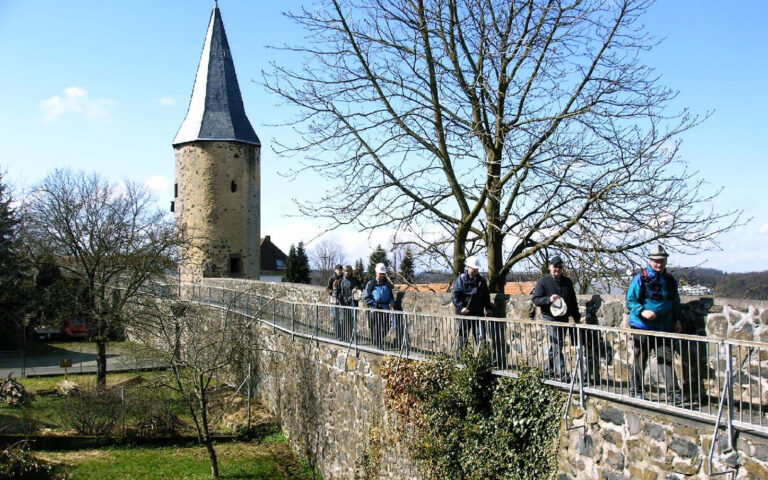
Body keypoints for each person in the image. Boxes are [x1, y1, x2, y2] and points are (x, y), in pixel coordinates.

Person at [626, 245, 683, 404]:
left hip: (663, 327)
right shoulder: (641, 278)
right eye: (656, 261)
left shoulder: (670, 281)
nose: (659, 264)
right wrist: (642, 311)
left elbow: (675, 302)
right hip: (642, 327)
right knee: (639, 359)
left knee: (666, 360)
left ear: (665, 261)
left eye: (662, 261)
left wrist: (677, 319)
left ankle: (673, 395)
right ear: (650, 261)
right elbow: (630, 300)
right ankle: (635, 390)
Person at [531, 254, 581, 382]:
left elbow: (572, 302)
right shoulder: (543, 281)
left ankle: (548, 371)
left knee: (555, 346)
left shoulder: (568, 282)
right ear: (550, 267)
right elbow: (536, 299)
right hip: (549, 317)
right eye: (555, 268)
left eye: (559, 268)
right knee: (558, 345)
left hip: (563, 318)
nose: (557, 271)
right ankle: (564, 376)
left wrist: (576, 318)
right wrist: (549, 299)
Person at [452, 256, 493, 357]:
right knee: (463, 337)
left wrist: (488, 307)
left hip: (478, 313)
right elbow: (455, 297)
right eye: (473, 269)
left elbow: (486, 295)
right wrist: (461, 307)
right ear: (468, 267)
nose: (475, 271)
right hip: (464, 314)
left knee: (481, 337)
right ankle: (461, 359)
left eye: (476, 269)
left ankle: (482, 359)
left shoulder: (481, 280)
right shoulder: (461, 279)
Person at [364, 263, 395, 348]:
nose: (381, 275)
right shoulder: (371, 284)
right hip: (375, 308)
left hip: (385, 308)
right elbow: (366, 297)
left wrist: (392, 302)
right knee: (376, 327)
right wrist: (374, 303)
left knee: (387, 326)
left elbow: (391, 296)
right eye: (380, 273)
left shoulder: (387, 284)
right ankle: (378, 344)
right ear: (376, 273)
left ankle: (378, 340)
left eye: (383, 274)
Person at [336, 265, 362, 342]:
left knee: (351, 320)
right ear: (343, 271)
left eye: (348, 271)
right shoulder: (340, 281)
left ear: (351, 271)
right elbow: (337, 291)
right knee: (343, 320)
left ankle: (350, 336)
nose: (347, 272)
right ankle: (343, 336)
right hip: (343, 302)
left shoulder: (354, 280)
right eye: (345, 271)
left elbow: (360, 287)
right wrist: (339, 299)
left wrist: (356, 288)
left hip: (352, 302)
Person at [326, 265, 344, 339]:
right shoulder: (332, 278)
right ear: (335, 270)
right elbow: (327, 289)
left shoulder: (344, 278)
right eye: (337, 270)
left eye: (340, 270)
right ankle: (338, 335)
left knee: (343, 317)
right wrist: (333, 293)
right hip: (334, 300)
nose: (339, 271)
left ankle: (343, 334)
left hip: (342, 299)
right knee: (336, 317)